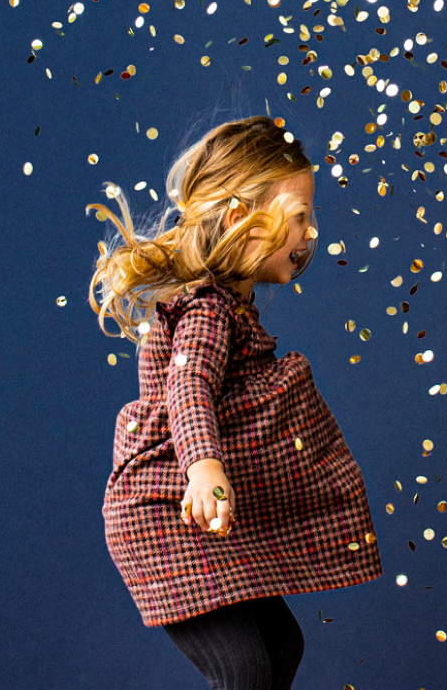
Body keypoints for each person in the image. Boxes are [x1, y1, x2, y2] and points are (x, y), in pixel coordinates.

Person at [87, 115, 381, 690]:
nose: (309, 234)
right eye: (299, 218)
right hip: (165, 517)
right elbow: (188, 386)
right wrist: (204, 466)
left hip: (195, 516)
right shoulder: (206, 309)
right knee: (243, 666)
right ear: (240, 219)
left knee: (280, 645)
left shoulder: (232, 306)